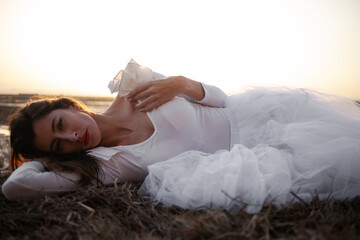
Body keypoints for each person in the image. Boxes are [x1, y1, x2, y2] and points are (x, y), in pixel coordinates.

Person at [2, 59, 360, 213]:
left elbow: (223, 99)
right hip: (252, 161)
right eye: (58, 144)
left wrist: (184, 83)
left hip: (258, 115)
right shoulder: (106, 166)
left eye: (61, 125)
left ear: (70, 106)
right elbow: (14, 188)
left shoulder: (134, 83)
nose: (72, 137)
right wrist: (48, 160)